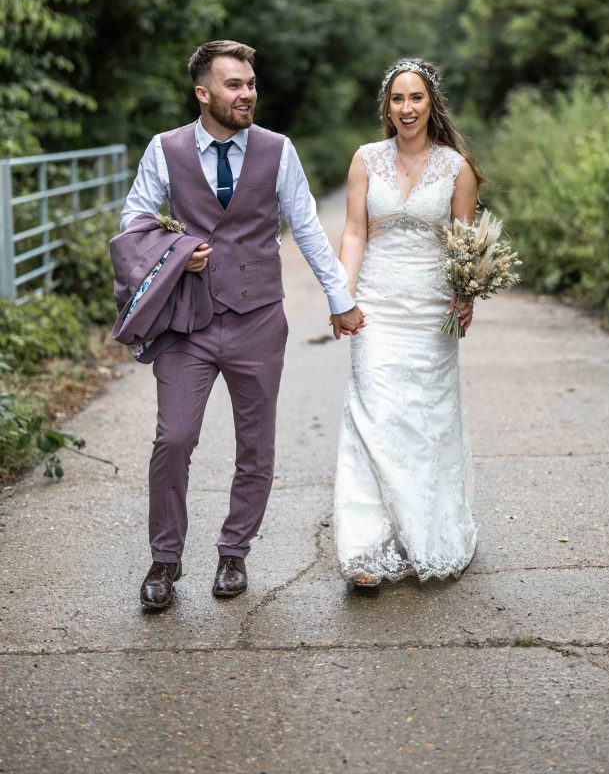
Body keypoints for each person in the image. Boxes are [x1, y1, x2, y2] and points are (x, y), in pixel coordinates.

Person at [120, 39, 365, 610]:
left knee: (256, 445)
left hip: (259, 318)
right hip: (188, 323)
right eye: (234, 85)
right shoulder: (165, 149)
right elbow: (134, 221)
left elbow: (306, 227)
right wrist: (177, 249)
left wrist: (339, 299)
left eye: (250, 84)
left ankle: (234, 552)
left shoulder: (278, 150)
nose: (247, 94)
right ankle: (165, 559)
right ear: (203, 93)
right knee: (173, 439)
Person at [333, 58, 484, 586]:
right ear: (386, 107)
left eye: (415, 98)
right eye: (397, 99)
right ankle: (365, 550)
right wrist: (341, 296)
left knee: (426, 422)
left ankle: (427, 530)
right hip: (376, 305)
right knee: (371, 417)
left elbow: (466, 244)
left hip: (430, 312)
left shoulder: (455, 167)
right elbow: (355, 232)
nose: (406, 108)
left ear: (431, 103)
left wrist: (466, 296)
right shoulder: (365, 160)